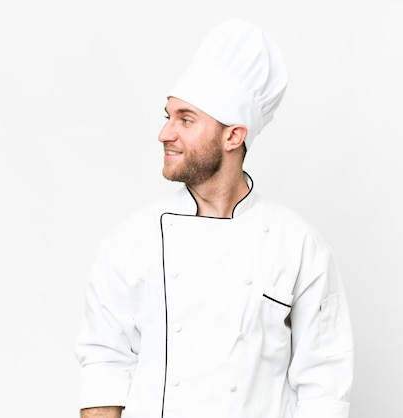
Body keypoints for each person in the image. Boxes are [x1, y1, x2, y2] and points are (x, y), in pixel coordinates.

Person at [76, 19, 353, 418]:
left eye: (185, 120)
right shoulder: (130, 242)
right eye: (168, 115)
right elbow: (104, 365)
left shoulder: (298, 247)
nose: (164, 133)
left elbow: (324, 384)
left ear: (233, 136)